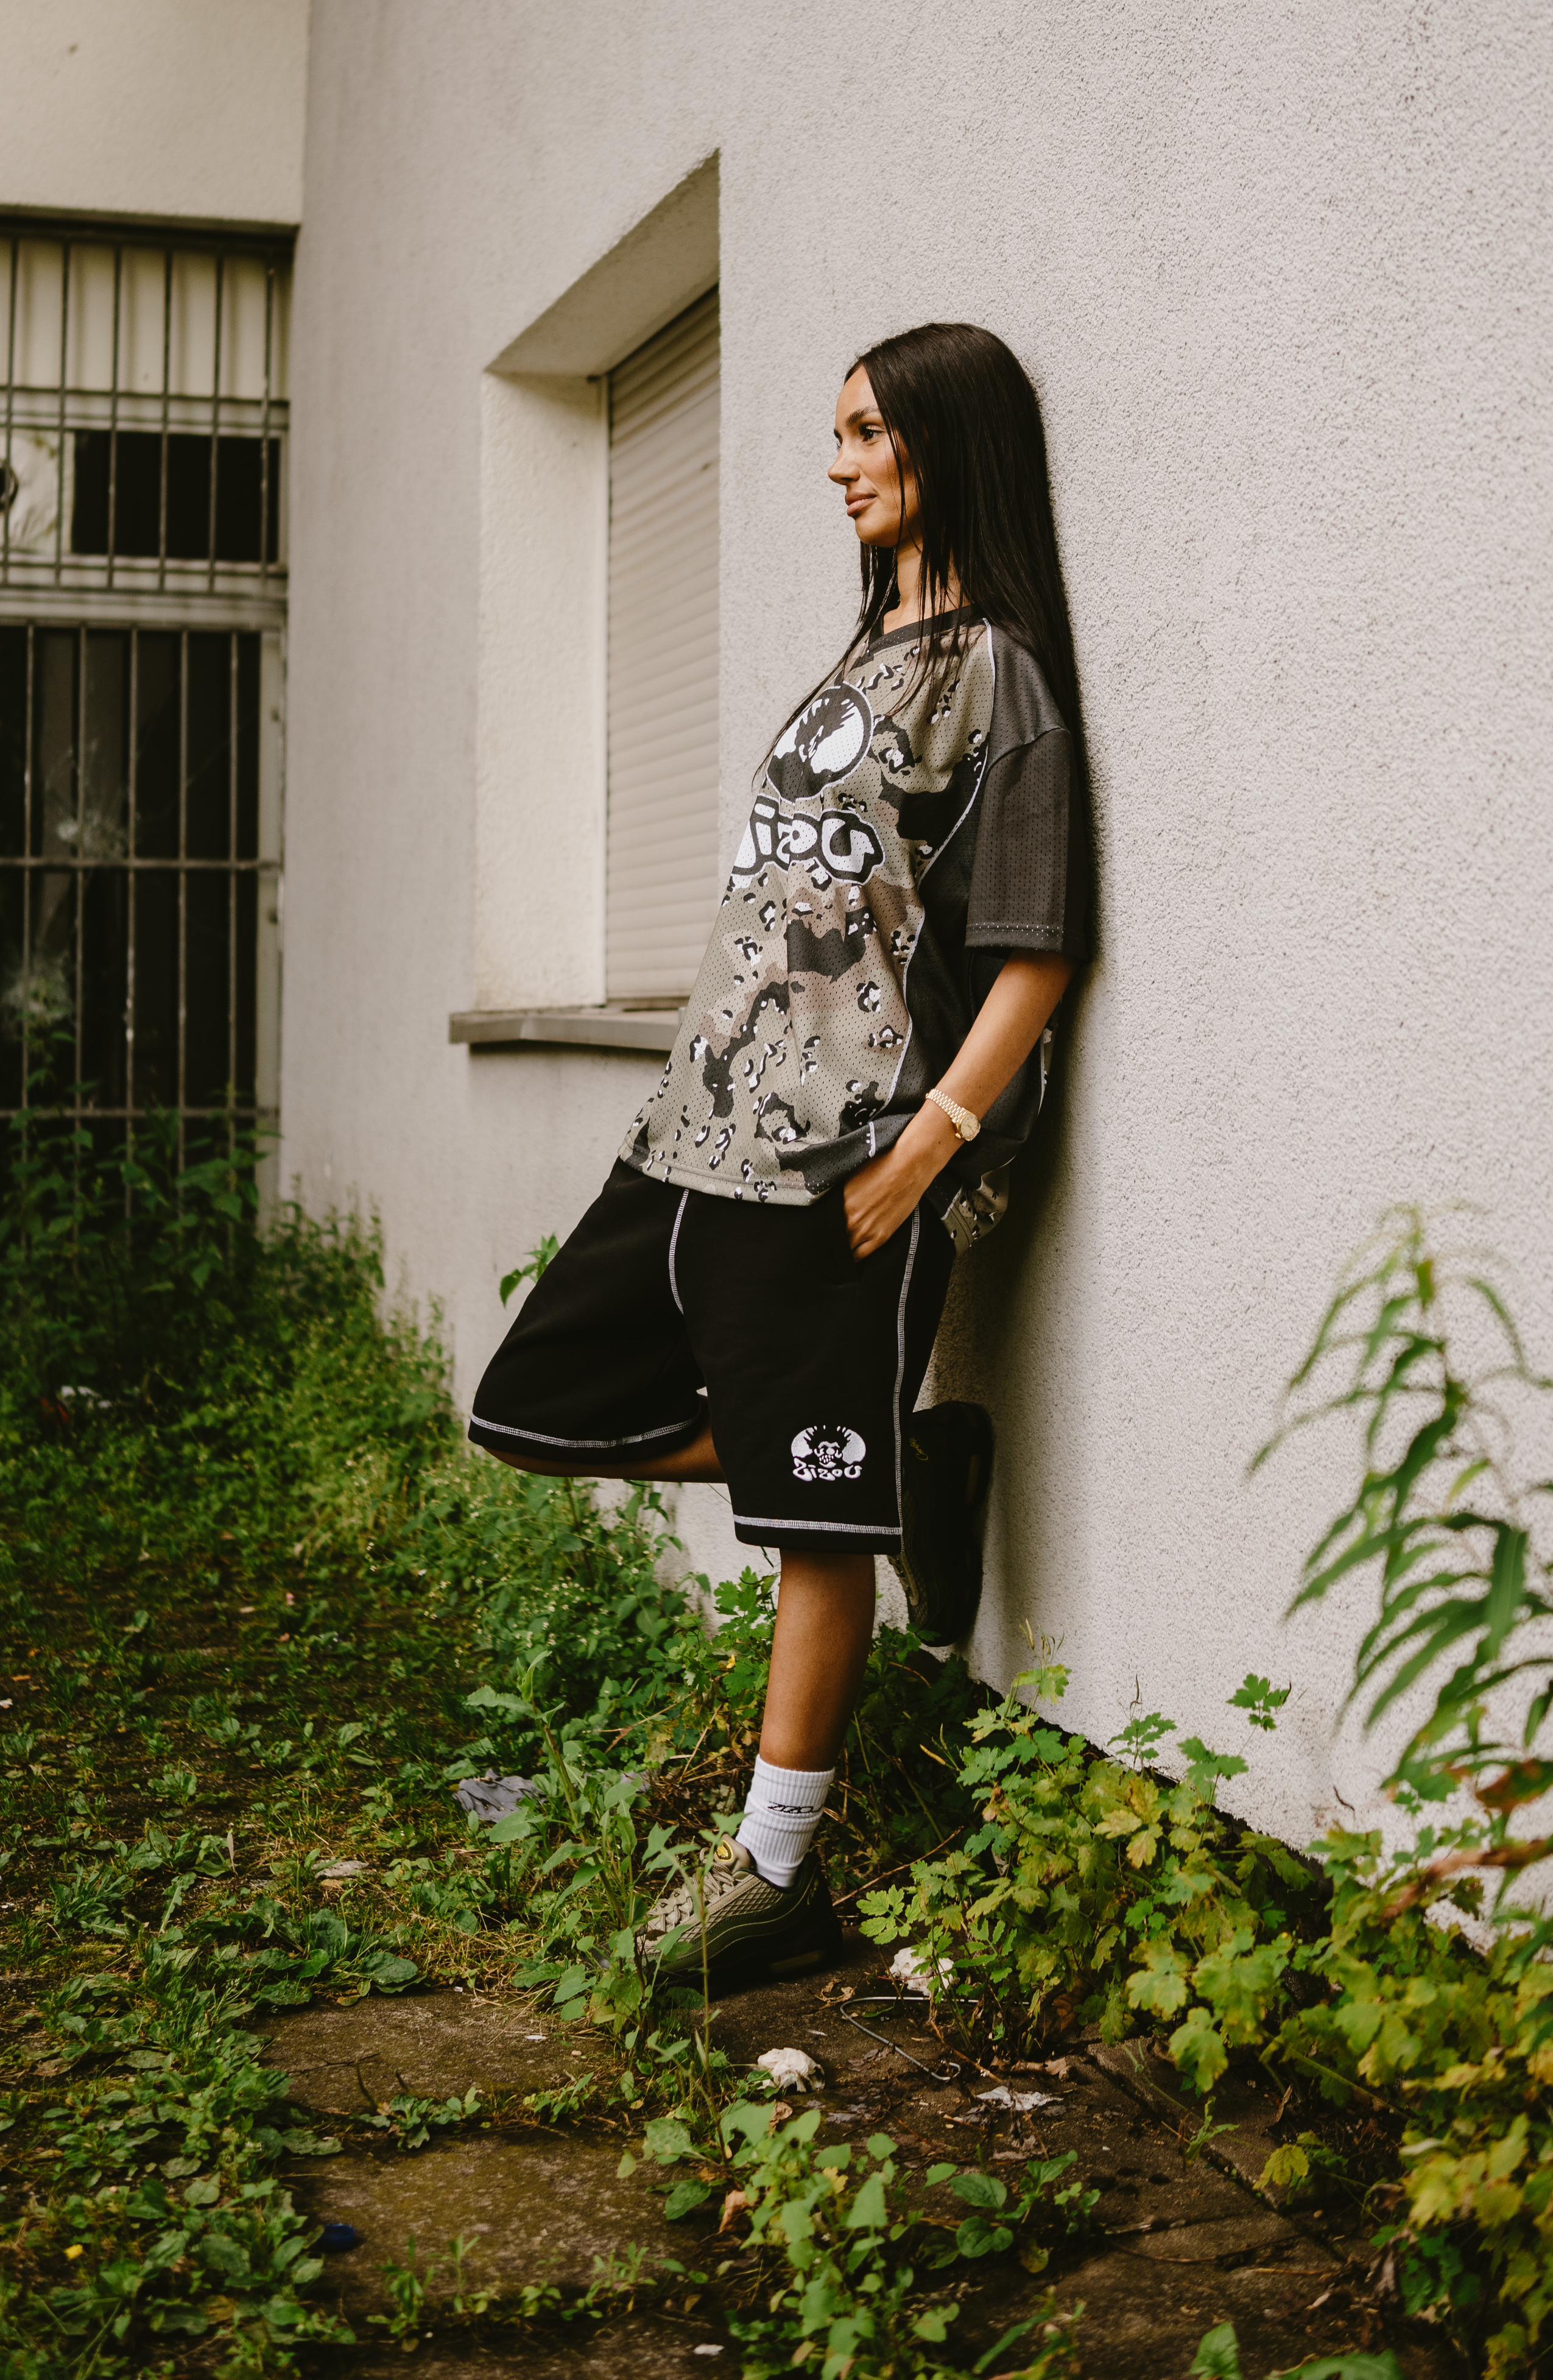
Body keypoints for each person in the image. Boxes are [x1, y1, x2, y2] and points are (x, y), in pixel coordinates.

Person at [468, 320, 1092, 1991]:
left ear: (950, 446)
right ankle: (903, 1452)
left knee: (815, 1527)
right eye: (838, 433)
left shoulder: (997, 677)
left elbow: (1033, 950)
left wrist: (936, 1143)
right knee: (535, 1404)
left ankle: (773, 1870)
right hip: (703, 1135)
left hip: (854, 1170)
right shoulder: (856, 663)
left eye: (871, 432)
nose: (841, 462)